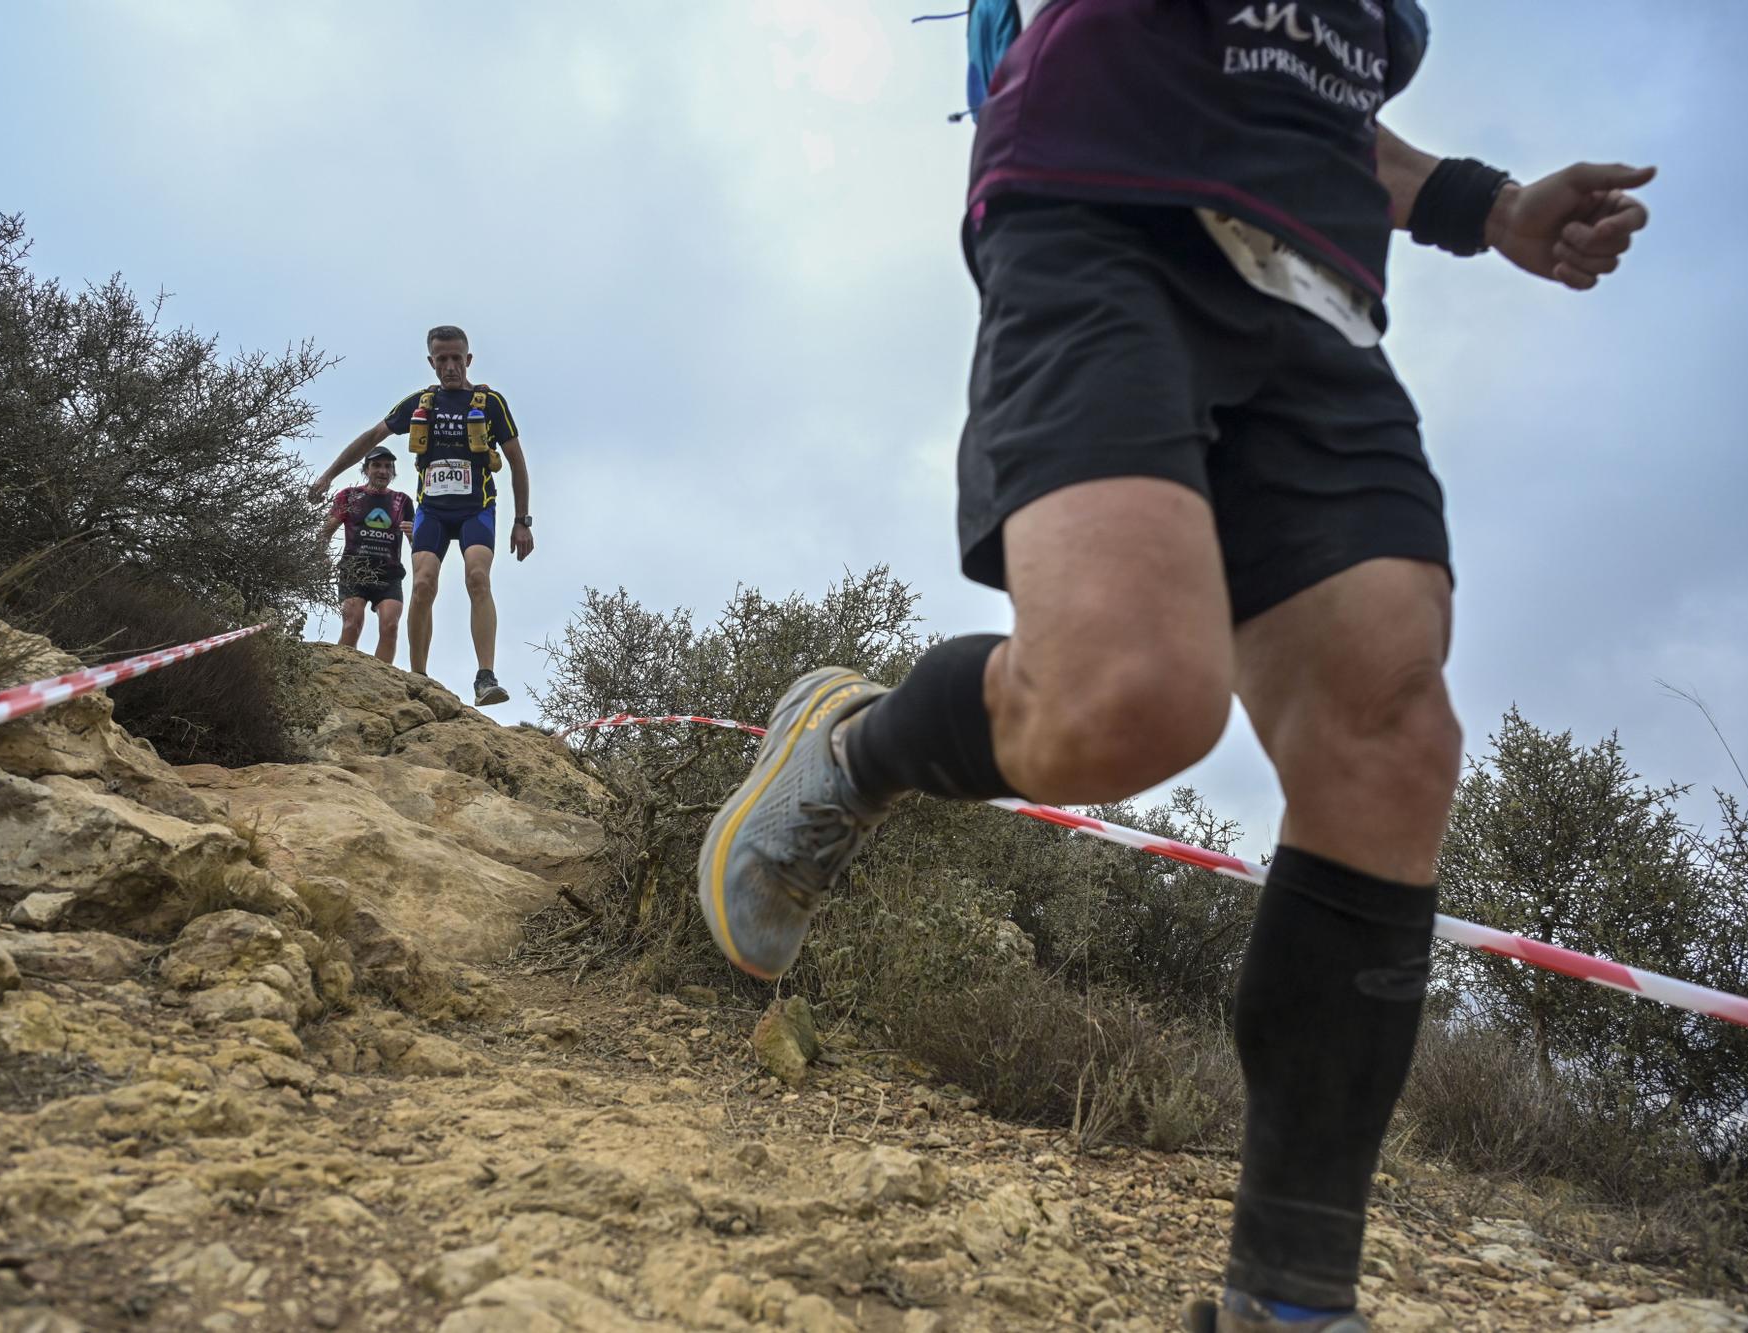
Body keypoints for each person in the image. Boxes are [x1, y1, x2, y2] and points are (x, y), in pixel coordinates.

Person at [697, 3, 1653, 1330]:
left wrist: (1486, 207)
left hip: (1317, 293)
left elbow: (1317, 102)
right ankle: (850, 748)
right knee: (1127, 705)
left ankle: (1291, 1305)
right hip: (1104, 211)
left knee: (1390, 737)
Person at [308, 325, 534, 706]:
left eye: (456, 359)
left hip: (476, 510)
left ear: (469, 359)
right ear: (431, 362)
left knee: (478, 578)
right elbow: (370, 437)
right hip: (432, 511)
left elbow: (516, 461)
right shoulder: (420, 403)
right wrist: (329, 475)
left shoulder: (490, 403)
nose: (450, 367)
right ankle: (418, 676)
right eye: (442, 359)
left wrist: (522, 520)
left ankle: (485, 677)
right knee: (424, 584)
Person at [318, 445, 414, 663]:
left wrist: (414, 535)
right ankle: (342, 672)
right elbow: (325, 532)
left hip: (388, 574)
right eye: (376, 466)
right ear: (366, 469)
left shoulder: (403, 501)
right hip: (355, 570)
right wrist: (321, 556)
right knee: (352, 623)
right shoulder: (349, 496)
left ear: (393, 472)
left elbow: (417, 544)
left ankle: (381, 681)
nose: (382, 471)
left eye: (387, 467)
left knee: (390, 626)